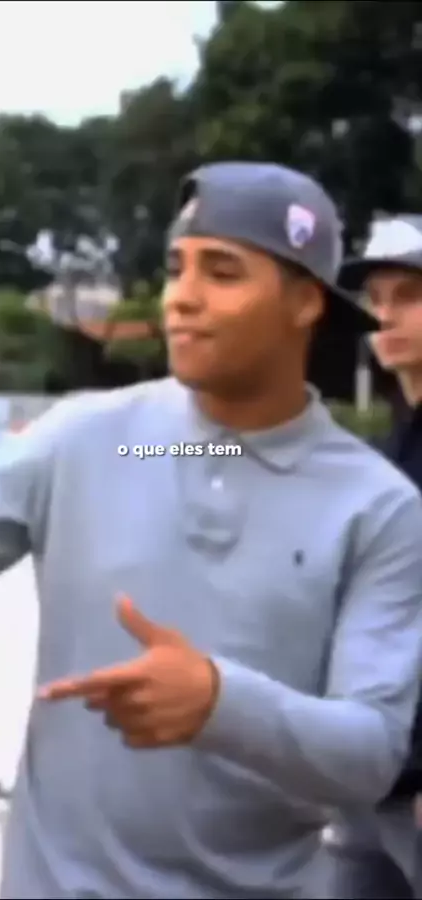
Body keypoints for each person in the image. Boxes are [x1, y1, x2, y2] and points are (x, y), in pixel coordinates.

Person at [0, 163, 422, 900]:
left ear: (305, 302)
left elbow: (370, 753)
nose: (182, 298)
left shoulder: (377, 506)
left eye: (222, 272)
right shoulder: (88, 438)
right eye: (176, 268)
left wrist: (220, 702)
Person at [322, 217, 422, 899]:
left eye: (408, 296)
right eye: (376, 299)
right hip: (371, 775)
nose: (384, 315)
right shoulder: (392, 446)